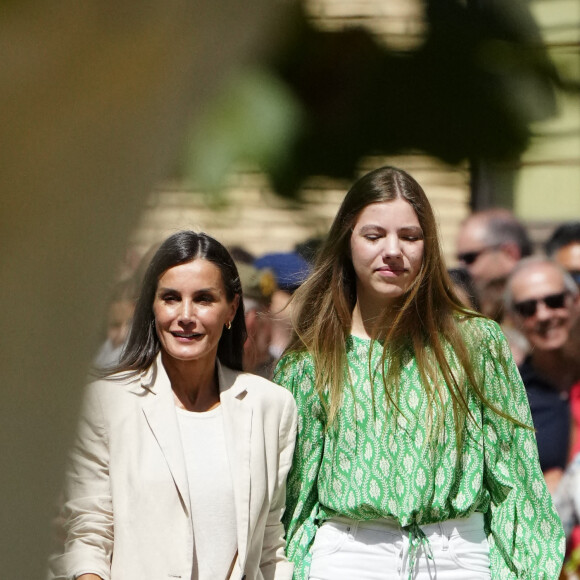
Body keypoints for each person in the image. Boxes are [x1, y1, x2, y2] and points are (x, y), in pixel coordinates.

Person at [274, 166, 564, 580]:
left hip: (458, 555)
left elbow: (515, 478)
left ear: (429, 246)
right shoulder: (312, 362)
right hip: (348, 556)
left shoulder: (475, 343)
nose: (393, 250)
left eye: (410, 237)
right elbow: (295, 500)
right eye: (374, 236)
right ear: (347, 242)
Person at [49, 231, 297, 580]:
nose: (185, 315)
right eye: (170, 298)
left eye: (204, 299)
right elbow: (89, 537)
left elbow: (270, 545)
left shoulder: (271, 406)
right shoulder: (106, 404)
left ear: (231, 309)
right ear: (151, 306)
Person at [504, 257, 580, 493]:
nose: (544, 315)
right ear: (515, 319)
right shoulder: (510, 396)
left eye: (554, 301)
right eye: (528, 309)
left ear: (575, 302)